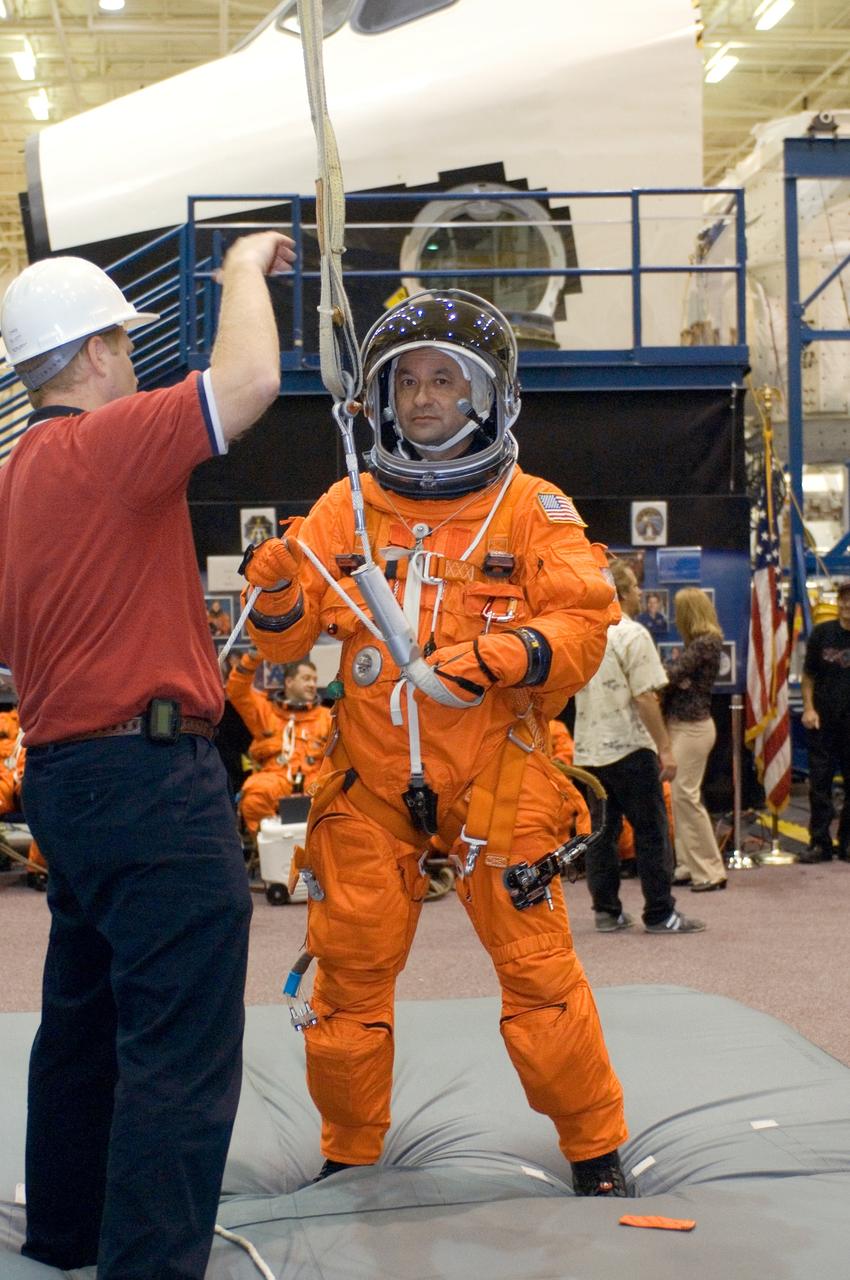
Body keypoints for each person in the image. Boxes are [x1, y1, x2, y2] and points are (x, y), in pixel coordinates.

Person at [242, 290, 629, 1197]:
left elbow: (583, 625)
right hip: (373, 785)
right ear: (381, 396)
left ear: (488, 395)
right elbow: (283, 647)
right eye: (407, 380)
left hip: (500, 778)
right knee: (346, 981)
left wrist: (499, 654)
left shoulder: (531, 509)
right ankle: (348, 1149)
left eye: (444, 379)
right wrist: (277, 596)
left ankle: (595, 1147)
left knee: (540, 976)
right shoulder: (346, 507)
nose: (423, 397)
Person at [0, 228, 295, 1279]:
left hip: (65, 777)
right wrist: (240, 269)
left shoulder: (14, 480)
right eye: (123, 342)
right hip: (150, 782)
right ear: (93, 353)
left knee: (83, 1015)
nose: (130, 358)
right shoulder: (108, 444)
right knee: (179, 1042)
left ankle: (67, 1232)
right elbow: (250, 380)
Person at [572, 558, 705, 935]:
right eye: (634, 587)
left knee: (602, 834)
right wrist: (665, 748)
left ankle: (606, 911)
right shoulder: (632, 634)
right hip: (630, 749)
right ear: (622, 594)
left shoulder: (582, 635)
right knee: (651, 832)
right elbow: (645, 697)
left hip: (589, 752)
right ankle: (660, 914)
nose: (641, 592)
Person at [661, 588, 727, 890]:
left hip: (693, 728)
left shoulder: (705, 643)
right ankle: (688, 864)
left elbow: (671, 675)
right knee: (680, 797)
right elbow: (677, 677)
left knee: (686, 797)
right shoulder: (701, 644)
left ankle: (711, 870)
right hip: (686, 726)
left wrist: (673, 676)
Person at [226, 652, 332, 833]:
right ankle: (267, 844)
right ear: (289, 682)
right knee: (254, 797)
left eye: (314, 680)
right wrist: (251, 659)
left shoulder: (327, 717)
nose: (312, 684)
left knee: (333, 794)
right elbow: (237, 691)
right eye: (306, 678)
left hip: (314, 783)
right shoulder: (266, 713)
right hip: (275, 778)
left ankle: (323, 845)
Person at [800, 581, 850, 863]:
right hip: (823, 722)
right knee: (819, 784)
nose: (846, 605)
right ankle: (819, 843)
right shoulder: (822, 634)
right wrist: (808, 708)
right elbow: (808, 676)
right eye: (843, 599)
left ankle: (847, 842)